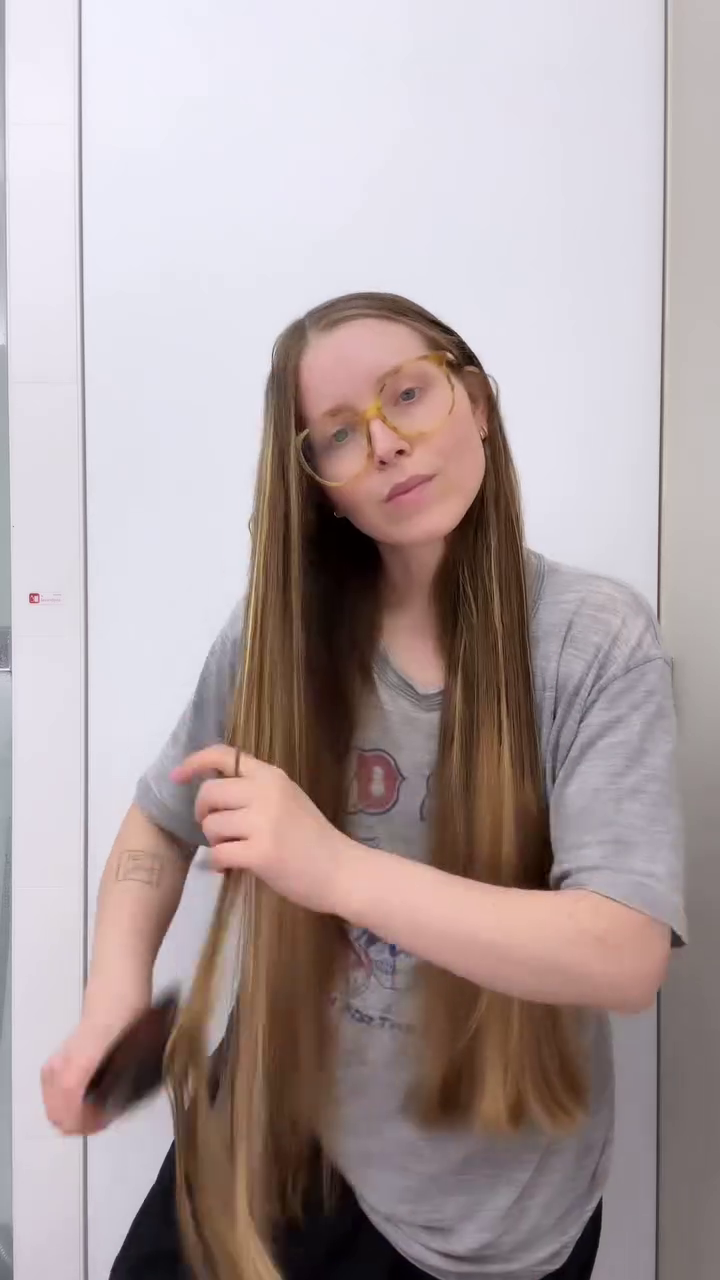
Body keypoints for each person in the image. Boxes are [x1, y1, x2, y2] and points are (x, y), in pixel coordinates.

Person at [42, 293, 685, 1280]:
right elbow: (159, 824)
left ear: (478, 404)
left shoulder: (592, 638)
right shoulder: (275, 633)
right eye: (339, 433)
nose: (385, 443)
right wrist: (111, 1001)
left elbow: (624, 954)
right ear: (322, 487)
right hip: (264, 1140)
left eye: (409, 394)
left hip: (481, 1220)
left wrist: (333, 867)